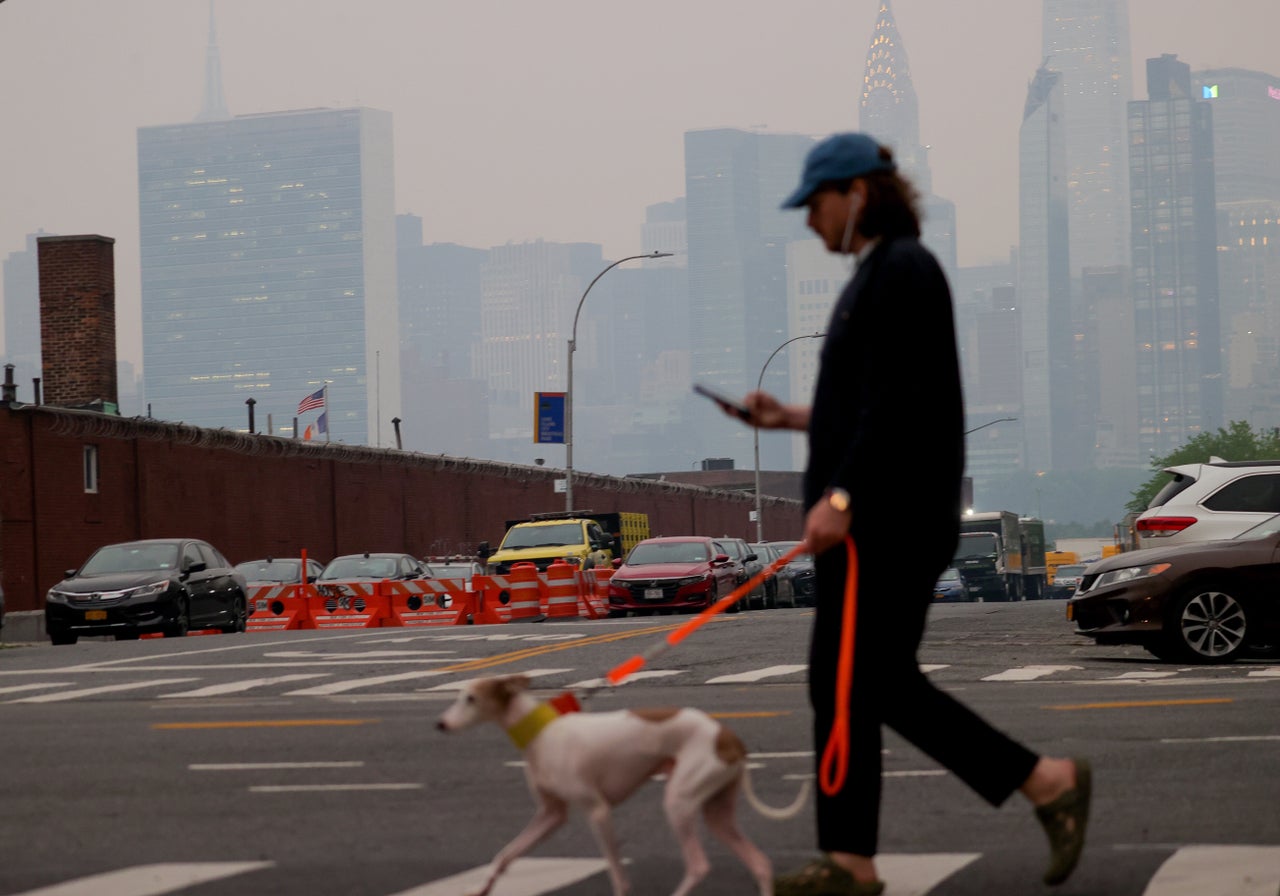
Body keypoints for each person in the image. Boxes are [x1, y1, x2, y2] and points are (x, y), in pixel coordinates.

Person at [720, 132, 1092, 896]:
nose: (809, 222)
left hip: (889, 523)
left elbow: (893, 406)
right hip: (878, 521)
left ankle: (1046, 781)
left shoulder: (902, 269)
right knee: (843, 681)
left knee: (873, 680)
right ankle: (851, 858)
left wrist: (842, 497)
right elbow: (863, 402)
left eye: (815, 204)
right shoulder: (877, 275)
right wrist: (790, 418)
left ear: (857, 193)